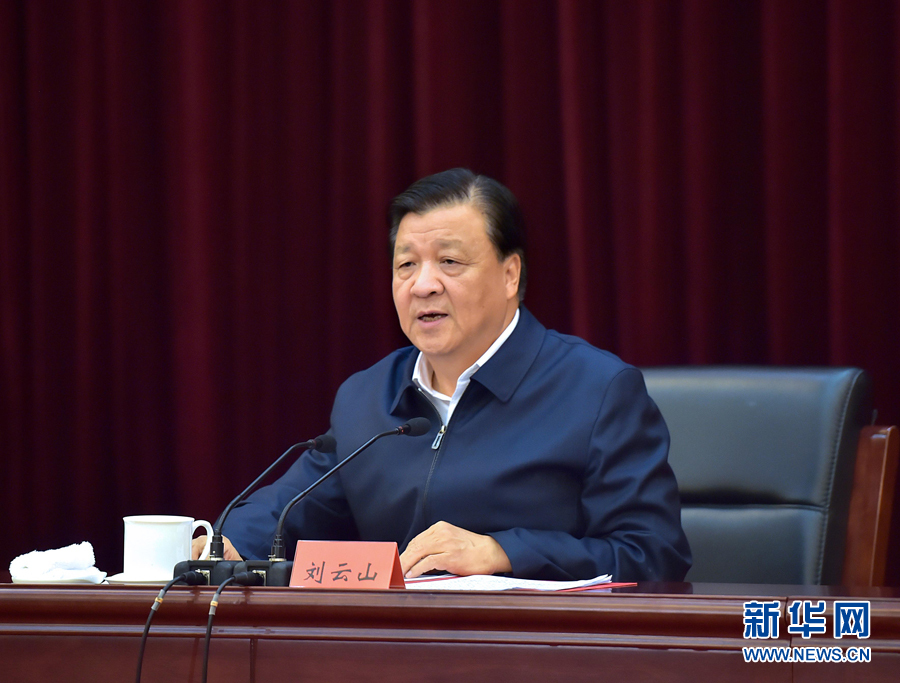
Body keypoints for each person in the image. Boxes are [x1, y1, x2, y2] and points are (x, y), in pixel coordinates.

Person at [197, 168, 691, 581]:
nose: (423, 285)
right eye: (406, 265)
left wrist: (505, 553)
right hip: (395, 649)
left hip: (536, 649)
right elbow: (290, 509)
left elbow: (654, 553)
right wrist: (225, 543)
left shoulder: (596, 390)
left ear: (510, 274)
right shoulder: (367, 397)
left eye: (449, 262)